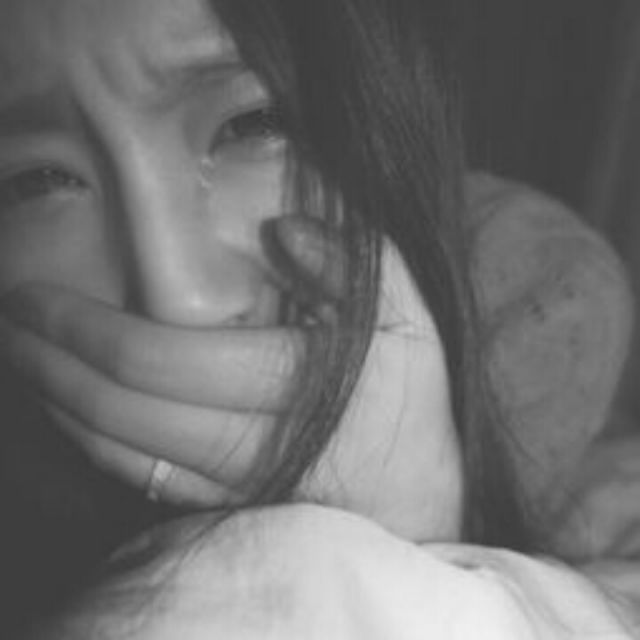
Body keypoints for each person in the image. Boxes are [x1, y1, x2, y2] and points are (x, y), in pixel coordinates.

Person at [0, 0, 636, 636]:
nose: (179, 298)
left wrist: (419, 525)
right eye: (36, 181)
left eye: (252, 123)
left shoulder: (536, 311)